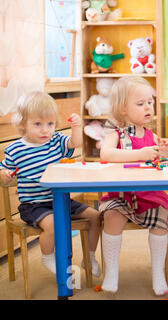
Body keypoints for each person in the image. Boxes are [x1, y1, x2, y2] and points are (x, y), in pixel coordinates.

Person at [0, 91, 101, 277]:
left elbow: (76, 143)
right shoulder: (15, 149)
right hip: (34, 205)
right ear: (23, 124)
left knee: (95, 216)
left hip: (61, 201)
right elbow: (3, 172)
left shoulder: (55, 141)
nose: (45, 130)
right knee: (54, 224)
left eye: (50, 124)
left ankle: (90, 257)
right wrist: (4, 175)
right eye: (38, 124)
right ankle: (48, 257)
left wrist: (77, 126)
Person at [98, 76, 168, 295]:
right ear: (123, 109)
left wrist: (163, 154)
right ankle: (111, 272)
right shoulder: (115, 132)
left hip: (148, 195)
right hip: (121, 194)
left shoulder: (151, 134)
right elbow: (106, 154)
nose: (148, 107)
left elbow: (156, 163)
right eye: (140, 104)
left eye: (150, 102)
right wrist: (140, 154)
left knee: (162, 220)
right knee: (112, 217)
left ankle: (158, 273)